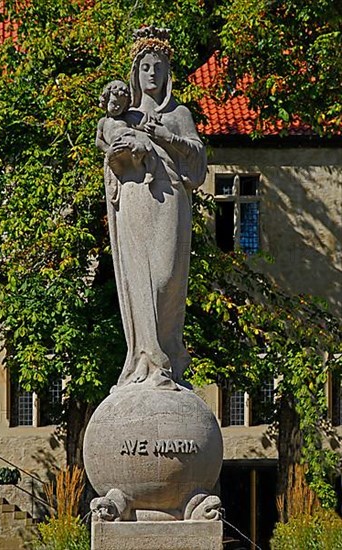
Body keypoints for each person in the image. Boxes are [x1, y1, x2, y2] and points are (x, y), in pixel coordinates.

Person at [103, 26, 207, 390]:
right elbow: (108, 154)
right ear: (135, 72)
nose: (152, 72)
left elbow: (198, 163)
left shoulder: (178, 113)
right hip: (133, 198)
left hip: (170, 198)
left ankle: (169, 356)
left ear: (167, 73)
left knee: (166, 281)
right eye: (145, 66)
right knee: (138, 282)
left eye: (158, 66)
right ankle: (146, 359)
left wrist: (165, 135)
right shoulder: (123, 116)